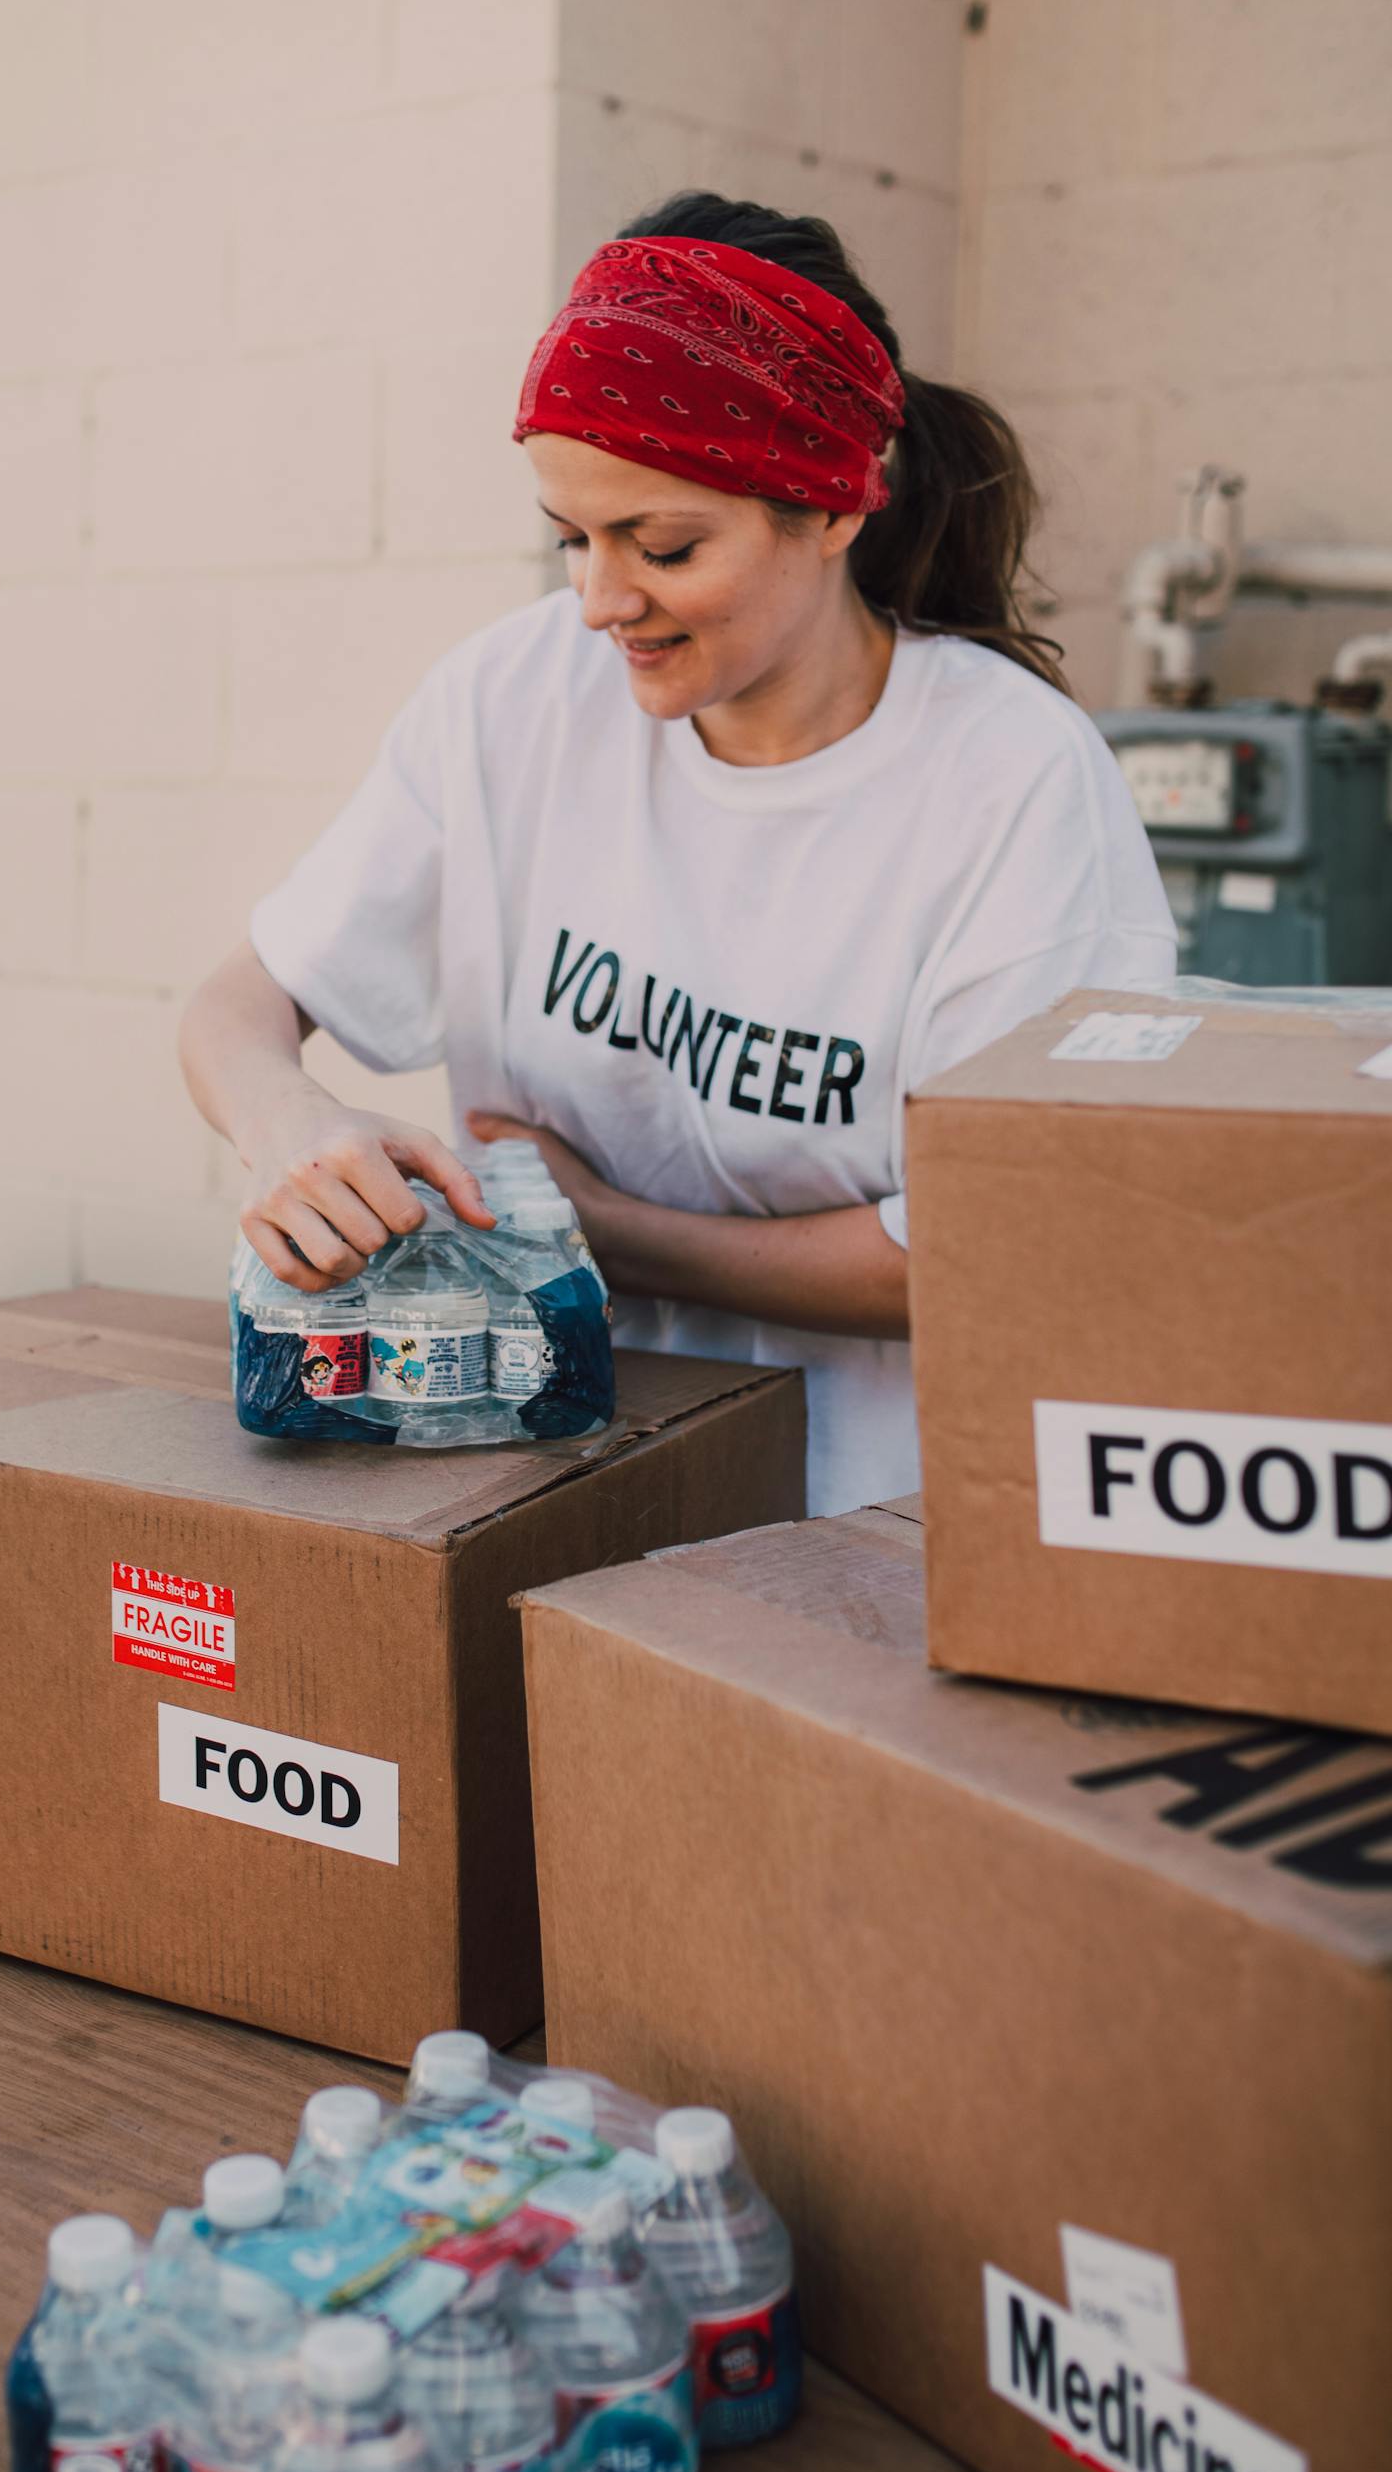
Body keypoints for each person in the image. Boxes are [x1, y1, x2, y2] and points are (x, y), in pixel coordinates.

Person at [179, 192, 1175, 1512]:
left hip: (873, 1525)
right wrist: (289, 1121)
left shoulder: (1012, 786)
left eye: (663, 546)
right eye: (572, 539)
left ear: (831, 510)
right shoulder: (513, 699)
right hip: (550, 1478)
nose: (600, 602)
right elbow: (236, 1005)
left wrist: (614, 1233)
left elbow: (996, 1253)